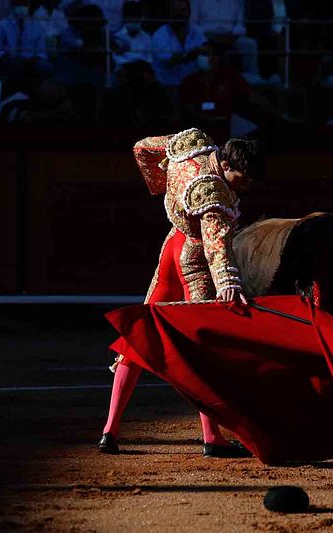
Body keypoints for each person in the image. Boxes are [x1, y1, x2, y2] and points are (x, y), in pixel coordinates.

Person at [99, 129, 262, 458]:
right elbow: (215, 241)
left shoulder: (192, 144)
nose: (246, 185)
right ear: (227, 163)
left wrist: (165, 190)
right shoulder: (211, 189)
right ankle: (212, 437)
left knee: (140, 334)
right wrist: (228, 282)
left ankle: (110, 430)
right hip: (195, 260)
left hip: (172, 247)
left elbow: (142, 147)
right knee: (199, 346)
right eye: (243, 177)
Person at [150, 0, 207, 85]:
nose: (179, 14)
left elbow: (206, 53)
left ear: (189, 12)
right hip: (167, 87)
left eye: (183, 10)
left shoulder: (198, 32)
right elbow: (171, 61)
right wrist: (194, 53)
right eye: (175, 11)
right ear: (169, 13)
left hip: (192, 86)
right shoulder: (159, 35)